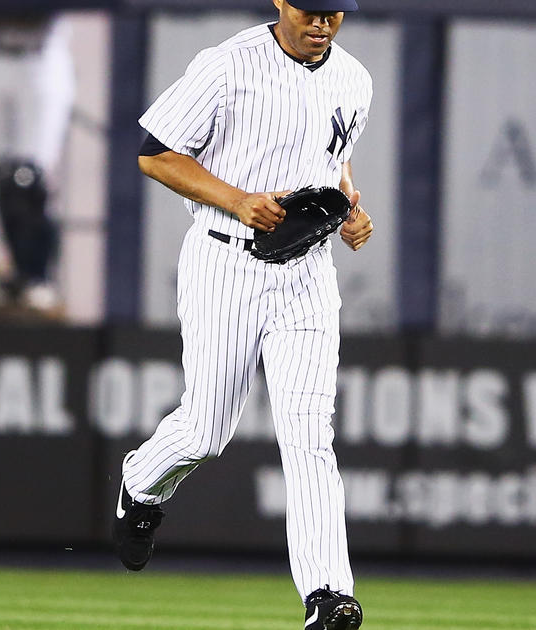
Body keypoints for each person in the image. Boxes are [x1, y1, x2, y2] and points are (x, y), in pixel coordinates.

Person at [112, 1, 373, 629]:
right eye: (309, 9)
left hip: (307, 274)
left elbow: (329, 160)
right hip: (224, 262)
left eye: (333, 12)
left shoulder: (354, 78)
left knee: (310, 435)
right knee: (207, 429)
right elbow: (155, 154)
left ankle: (327, 596)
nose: (321, 23)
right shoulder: (227, 66)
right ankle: (142, 483)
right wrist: (236, 199)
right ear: (281, 1)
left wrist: (348, 208)